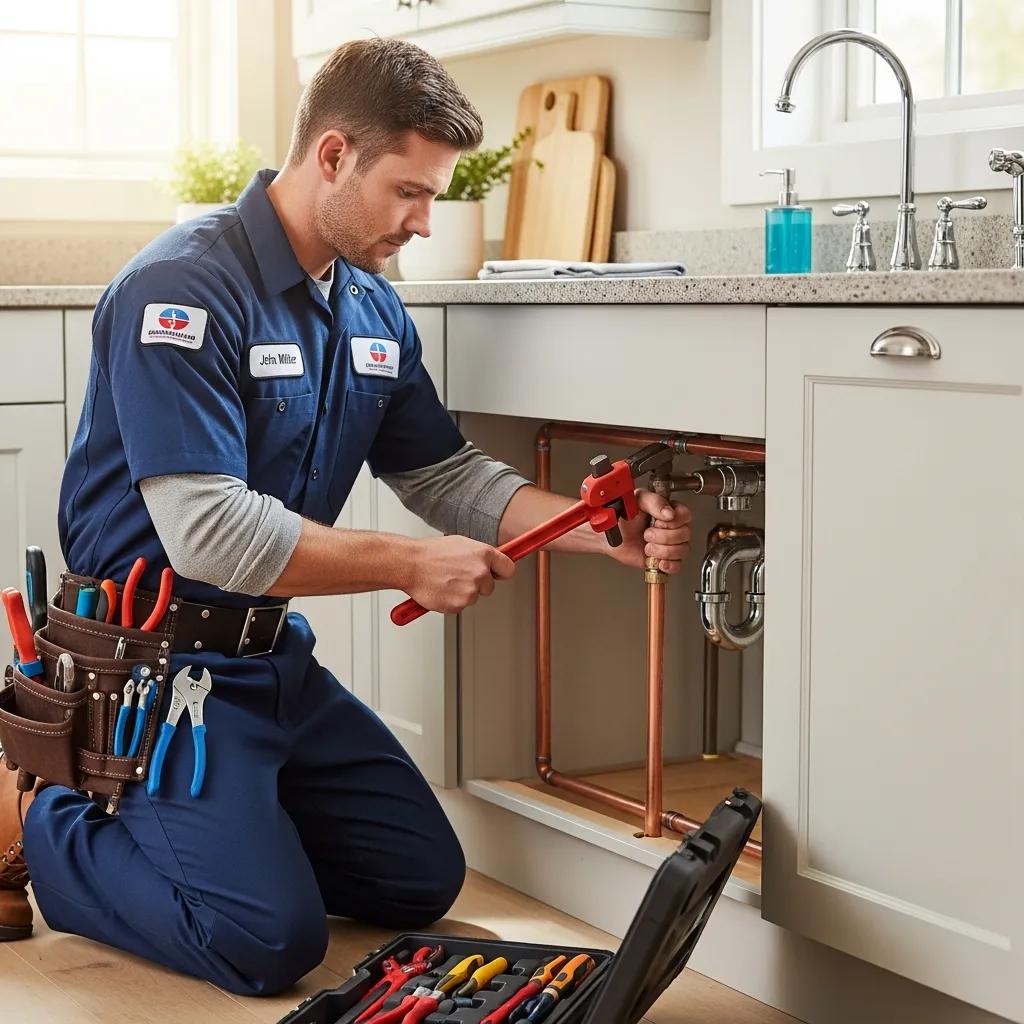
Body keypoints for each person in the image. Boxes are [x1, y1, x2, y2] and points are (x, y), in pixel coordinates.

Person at [0, 37, 692, 993]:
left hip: (271, 663)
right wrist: (408, 565)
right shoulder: (182, 289)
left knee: (419, 878)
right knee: (264, 943)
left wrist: (594, 531)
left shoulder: (369, 305)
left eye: (433, 196)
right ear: (333, 155)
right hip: (153, 673)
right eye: (408, 191)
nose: (422, 221)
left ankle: (225, 824)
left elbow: (444, 473)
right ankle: (50, 817)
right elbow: (208, 533)